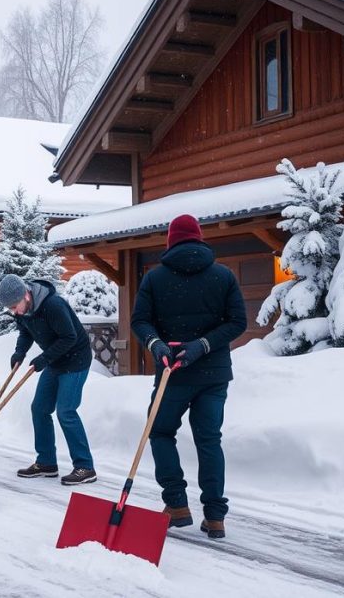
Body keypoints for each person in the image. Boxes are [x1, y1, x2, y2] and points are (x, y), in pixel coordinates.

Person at [131, 214, 246, 539]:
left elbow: (140, 320)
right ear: (199, 238)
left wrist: (157, 345)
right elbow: (237, 322)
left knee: (160, 432)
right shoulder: (222, 276)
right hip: (213, 374)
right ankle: (215, 516)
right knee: (209, 440)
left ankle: (177, 504)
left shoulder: (155, 278)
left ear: (171, 241)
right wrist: (204, 345)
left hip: (173, 374)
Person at [0, 274, 96, 485]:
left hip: (76, 360)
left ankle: (85, 467)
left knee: (66, 412)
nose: (15, 312)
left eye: (15, 307)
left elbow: (69, 337)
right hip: (55, 360)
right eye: (11, 309)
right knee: (40, 409)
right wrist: (19, 353)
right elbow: (25, 333)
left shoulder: (53, 305)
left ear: (26, 295)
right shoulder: (22, 310)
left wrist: (44, 358)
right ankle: (46, 463)